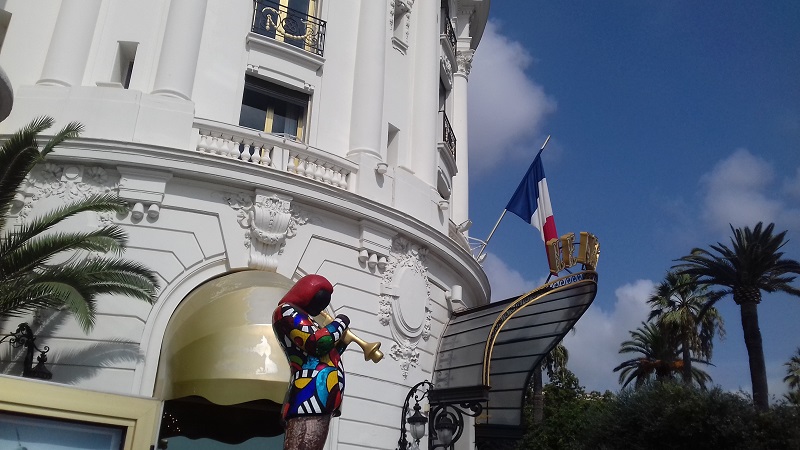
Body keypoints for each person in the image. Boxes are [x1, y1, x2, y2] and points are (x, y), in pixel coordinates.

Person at [272, 274, 350, 450]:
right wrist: (341, 322)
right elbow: (316, 343)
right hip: (310, 393)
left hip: (324, 396)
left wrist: (342, 343)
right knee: (304, 443)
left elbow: (323, 355)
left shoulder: (308, 319)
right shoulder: (286, 312)